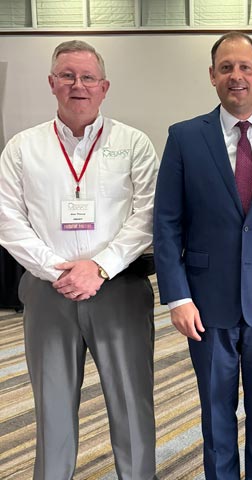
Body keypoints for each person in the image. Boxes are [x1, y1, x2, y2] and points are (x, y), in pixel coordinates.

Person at [153, 32, 252, 479]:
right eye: (226, 67)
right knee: (216, 416)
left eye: (245, 67)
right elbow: (166, 223)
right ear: (212, 76)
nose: (236, 76)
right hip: (205, 306)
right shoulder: (185, 137)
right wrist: (177, 297)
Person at [0, 40, 158, 479]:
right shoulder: (22, 148)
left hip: (119, 289)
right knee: (51, 405)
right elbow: (7, 219)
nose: (78, 85)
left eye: (88, 77)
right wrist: (57, 270)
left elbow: (147, 214)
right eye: (67, 76)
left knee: (132, 401)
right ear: (52, 83)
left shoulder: (132, 144)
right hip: (48, 292)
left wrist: (100, 266)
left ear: (104, 86)